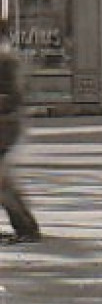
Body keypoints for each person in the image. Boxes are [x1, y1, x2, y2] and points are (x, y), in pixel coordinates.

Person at [0, 32, 42, 244]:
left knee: (3, 184)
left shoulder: (5, 61)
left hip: (4, 125)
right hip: (8, 124)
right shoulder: (7, 59)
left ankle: (27, 228)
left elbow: (11, 97)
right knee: (4, 182)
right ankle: (26, 227)